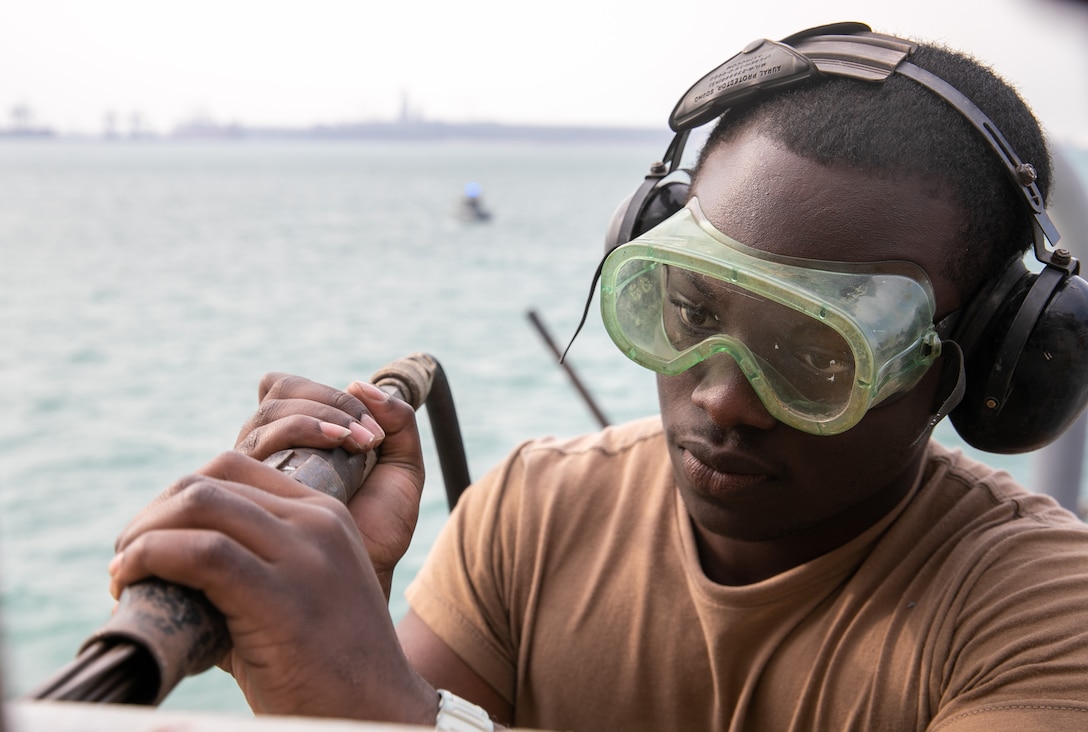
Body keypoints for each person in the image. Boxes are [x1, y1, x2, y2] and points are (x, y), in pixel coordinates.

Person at [107, 23, 1088, 731]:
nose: (722, 397)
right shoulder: (537, 509)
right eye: (694, 313)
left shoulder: (1040, 614)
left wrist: (373, 701)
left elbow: (392, 710)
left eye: (814, 352)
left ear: (980, 367)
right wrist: (321, 646)